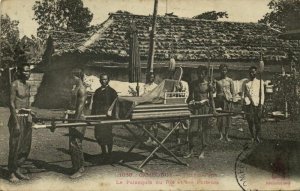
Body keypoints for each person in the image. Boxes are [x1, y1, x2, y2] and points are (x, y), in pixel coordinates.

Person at [7, 63, 32, 182]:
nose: (28, 73)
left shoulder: (28, 85)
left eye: (29, 71)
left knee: (25, 146)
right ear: (20, 72)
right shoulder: (14, 84)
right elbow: (11, 103)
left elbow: (27, 101)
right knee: (15, 146)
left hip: (27, 118)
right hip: (16, 118)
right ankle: (11, 172)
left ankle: (17, 168)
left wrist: (30, 115)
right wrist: (16, 123)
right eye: (26, 71)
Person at [184, 66, 215, 159]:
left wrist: (214, 110)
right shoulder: (193, 84)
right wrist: (190, 103)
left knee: (204, 130)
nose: (200, 75)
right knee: (192, 130)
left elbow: (212, 99)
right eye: (199, 73)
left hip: (205, 109)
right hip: (196, 109)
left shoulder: (208, 85)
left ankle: (202, 151)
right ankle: (190, 151)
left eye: (202, 73)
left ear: (205, 74)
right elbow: (190, 96)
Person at [92, 73, 118, 162]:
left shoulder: (112, 91)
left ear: (108, 80)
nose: (103, 81)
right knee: (99, 135)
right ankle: (103, 153)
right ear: (100, 81)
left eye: (105, 79)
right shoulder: (97, 91)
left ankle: (109, 154)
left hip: (107, 117)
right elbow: (94, 105)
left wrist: (113, 115)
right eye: (102, 79)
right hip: (98, 116)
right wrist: (93, 116)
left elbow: (115, 105)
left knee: (107, 135)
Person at [68, 69, 87, 179]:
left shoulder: (82, 89)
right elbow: (71, 104)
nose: (71, 80)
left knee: (76, 143)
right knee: (72, 144)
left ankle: (80, 168)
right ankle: (75, 166)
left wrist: (75, 122)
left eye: (73, 77)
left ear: (77, 77)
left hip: (79, 118)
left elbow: (80, 107)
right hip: (73, 117)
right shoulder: (75, 88)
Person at [242, 66, 265, 143]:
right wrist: (243, 103)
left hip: (257, 104)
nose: (252, 74)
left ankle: (257, 136)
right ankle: (252, 135)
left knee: (257, 121)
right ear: (249, 73)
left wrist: (261, 104)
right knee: (250, 121)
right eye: (251, 72)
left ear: (256, 73)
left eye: (254, 72)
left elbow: (262, 94)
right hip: (248, 103)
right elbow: (243, 94)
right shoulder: (246, 82)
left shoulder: (260, 82)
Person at [215, 64, 234, 142]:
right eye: (222, 70)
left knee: (228, 118)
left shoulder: (230, 80)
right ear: (220, 71)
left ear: (227, 71)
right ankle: (220, 135)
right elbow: (214, 91)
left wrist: (231, 100)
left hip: (228, 101)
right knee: (219, 118)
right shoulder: (217, 80)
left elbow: (232, 91)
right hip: (219, 101)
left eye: (225, 70)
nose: (224, 72)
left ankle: (227, 135)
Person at [143, 73, 159, 146]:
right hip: (147, 106)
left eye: (152, 77)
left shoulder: (156, 86)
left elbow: (157, 96)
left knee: (155, 124)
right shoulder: (145, 86)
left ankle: (155, 139)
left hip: (154, 106)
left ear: (154, 78)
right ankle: (149, 138)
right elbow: (143, 95)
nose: (151, 78)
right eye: (150, 77)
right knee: (147, 124)